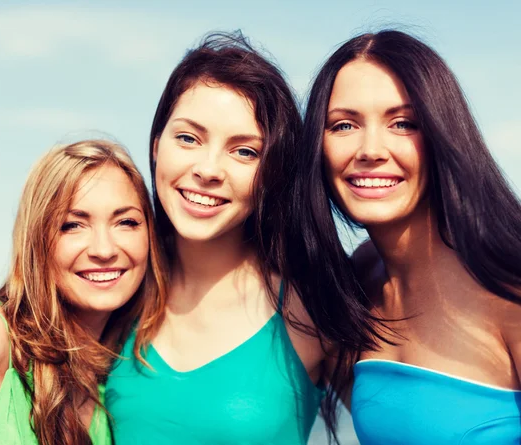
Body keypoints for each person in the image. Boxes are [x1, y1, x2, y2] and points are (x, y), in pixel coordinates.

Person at [106, 32, 380, 445]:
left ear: (272, 174)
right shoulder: (113, 287)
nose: (209, 169)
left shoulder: (312, 304)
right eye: (188, 138)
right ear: (156, 144)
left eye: (245, 152)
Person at [302, 29, 521, 443]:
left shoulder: (508, 282)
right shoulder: (357, 283)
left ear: (442, 133)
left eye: (402, 123)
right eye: (344, 125)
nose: (370, 149)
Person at [0, 139, 166, 445]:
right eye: (73, 225)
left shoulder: (112, 374)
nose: (104, 249)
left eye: (126, 222)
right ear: (37, 240)